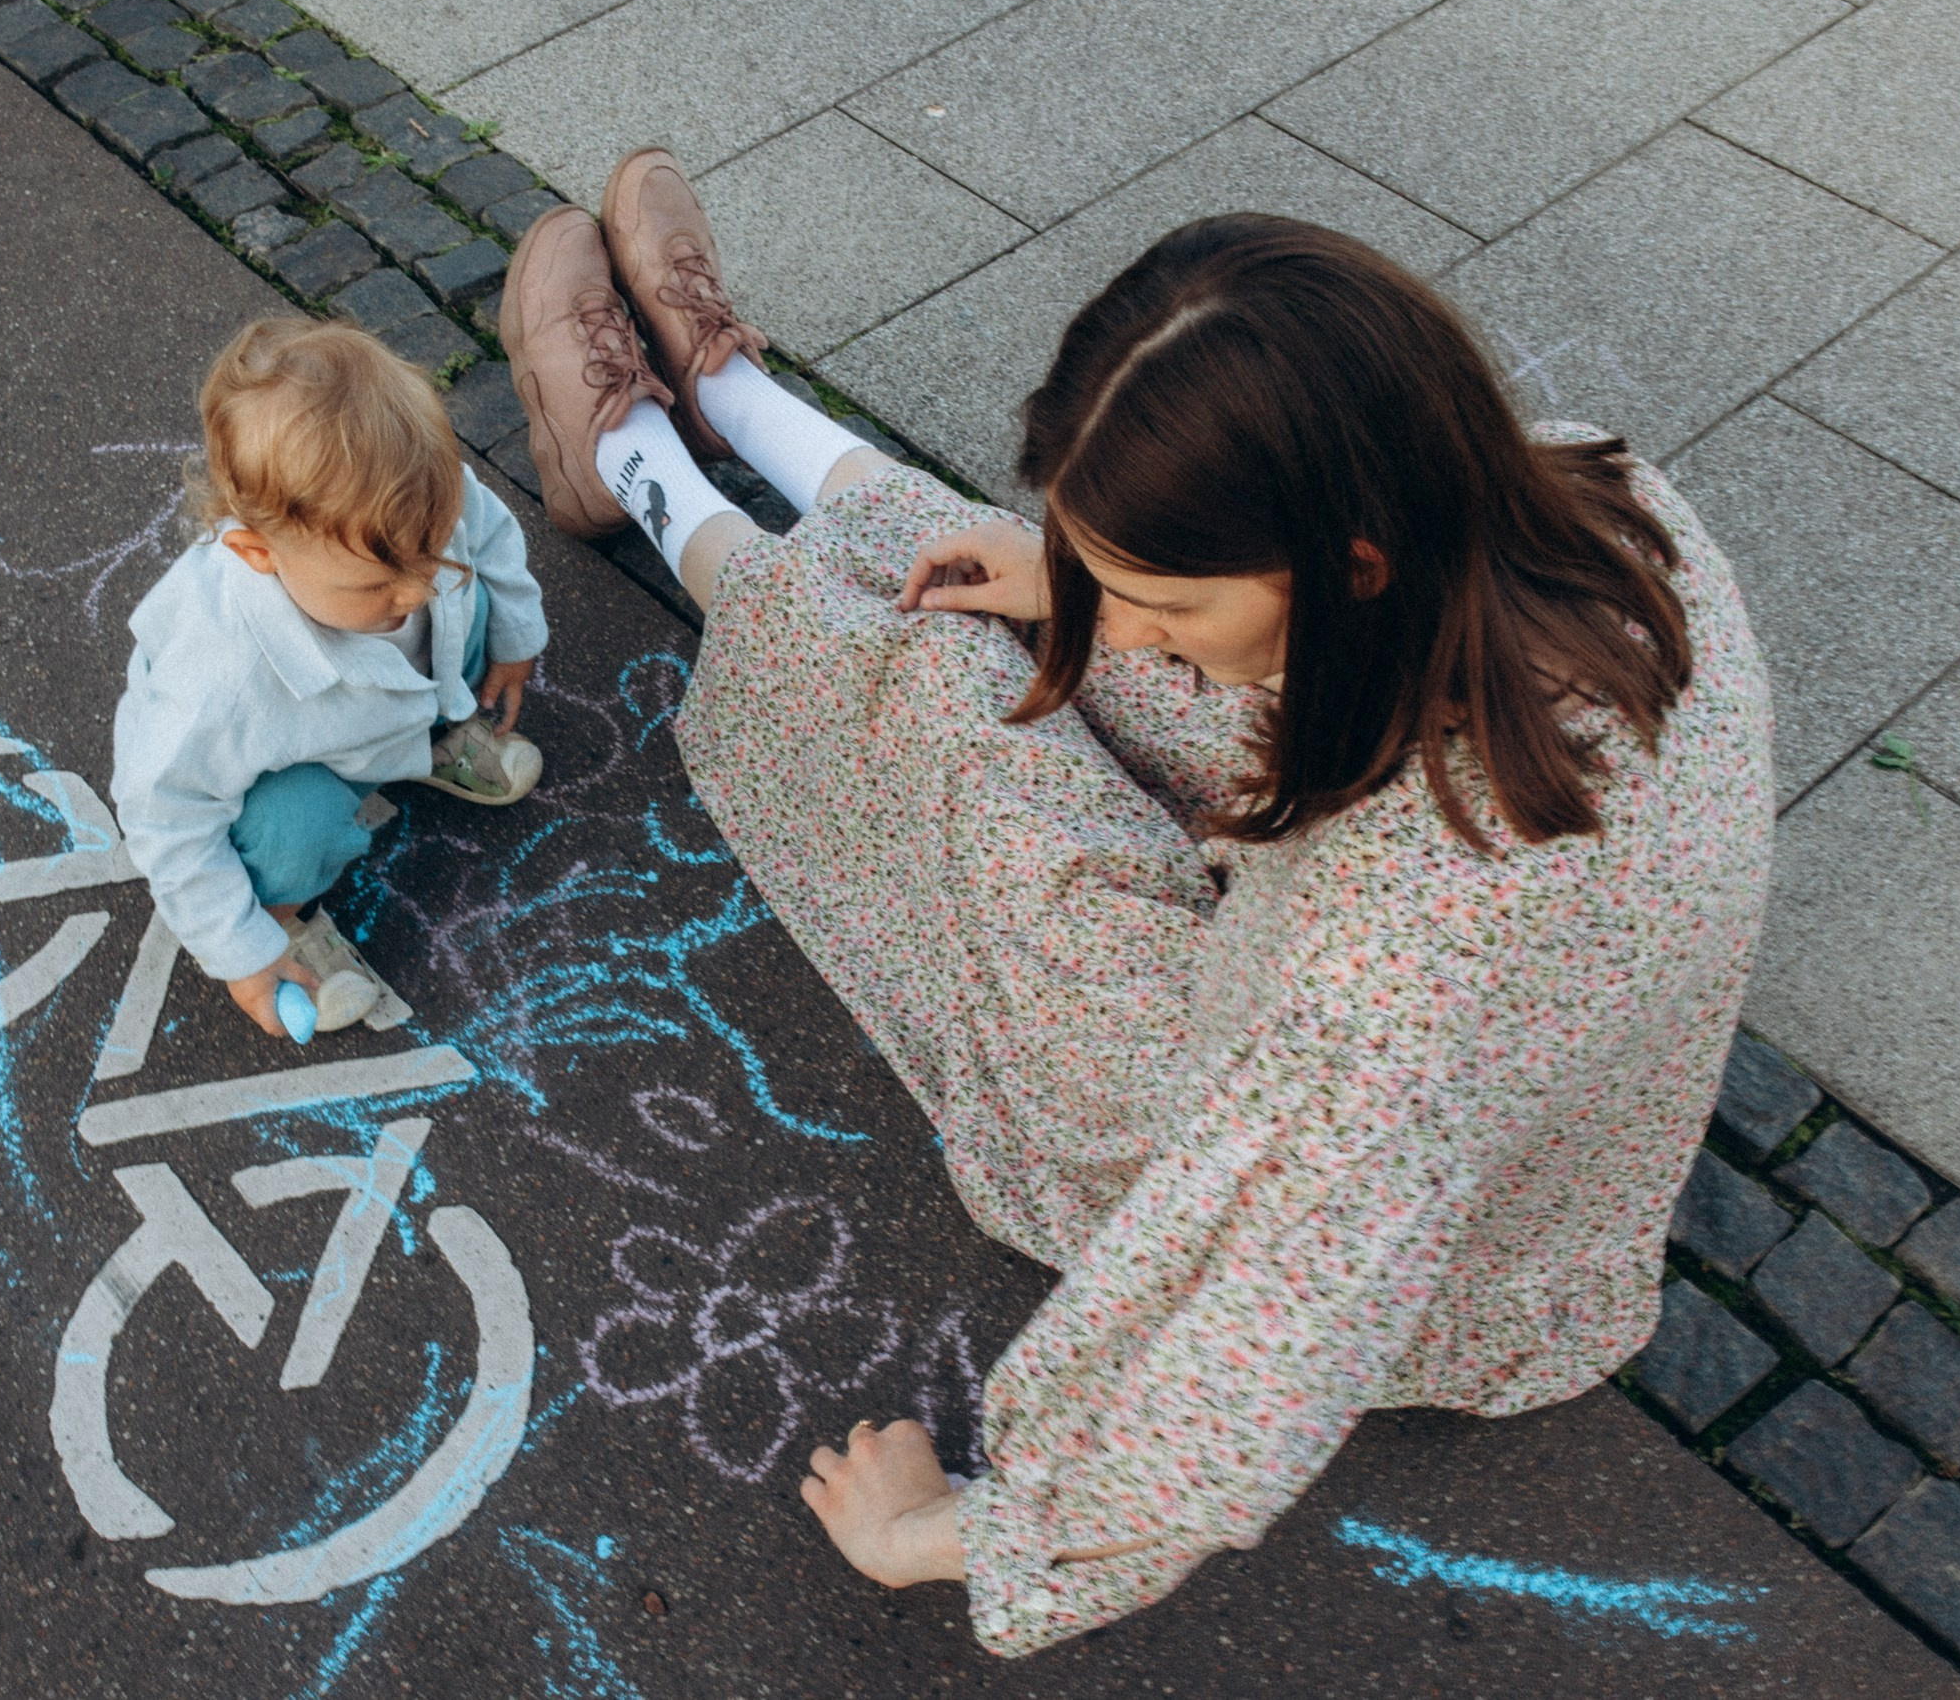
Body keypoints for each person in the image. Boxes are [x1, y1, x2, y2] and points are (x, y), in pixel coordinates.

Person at [503, 157, 1771, 1656]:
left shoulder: (1408, 990)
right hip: (1433, 1014)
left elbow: (1232, 1396)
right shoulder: (1577, 497)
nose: (1145, 623)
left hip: (1346, 1179)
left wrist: (957, 1533)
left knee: (954, 709)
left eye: (1172, 596)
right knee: (1005, 596)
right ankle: (731, 402)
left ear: (1345, 559)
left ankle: (643, 457)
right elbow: (1195, 626)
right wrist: (1086, 583)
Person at [112, 318, 550, 1039]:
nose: (413, 591)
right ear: (258, 552)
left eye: (430, 548)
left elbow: (492, 528)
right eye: (376, 584)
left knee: (468, 604)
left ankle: (435, 741)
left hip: (381, 709)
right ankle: (285, 924)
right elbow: (166, 814)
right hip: (291, 754)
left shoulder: (409, 501)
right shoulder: (222, 677)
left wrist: (514, 635)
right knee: (290, 830)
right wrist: (242, 952)